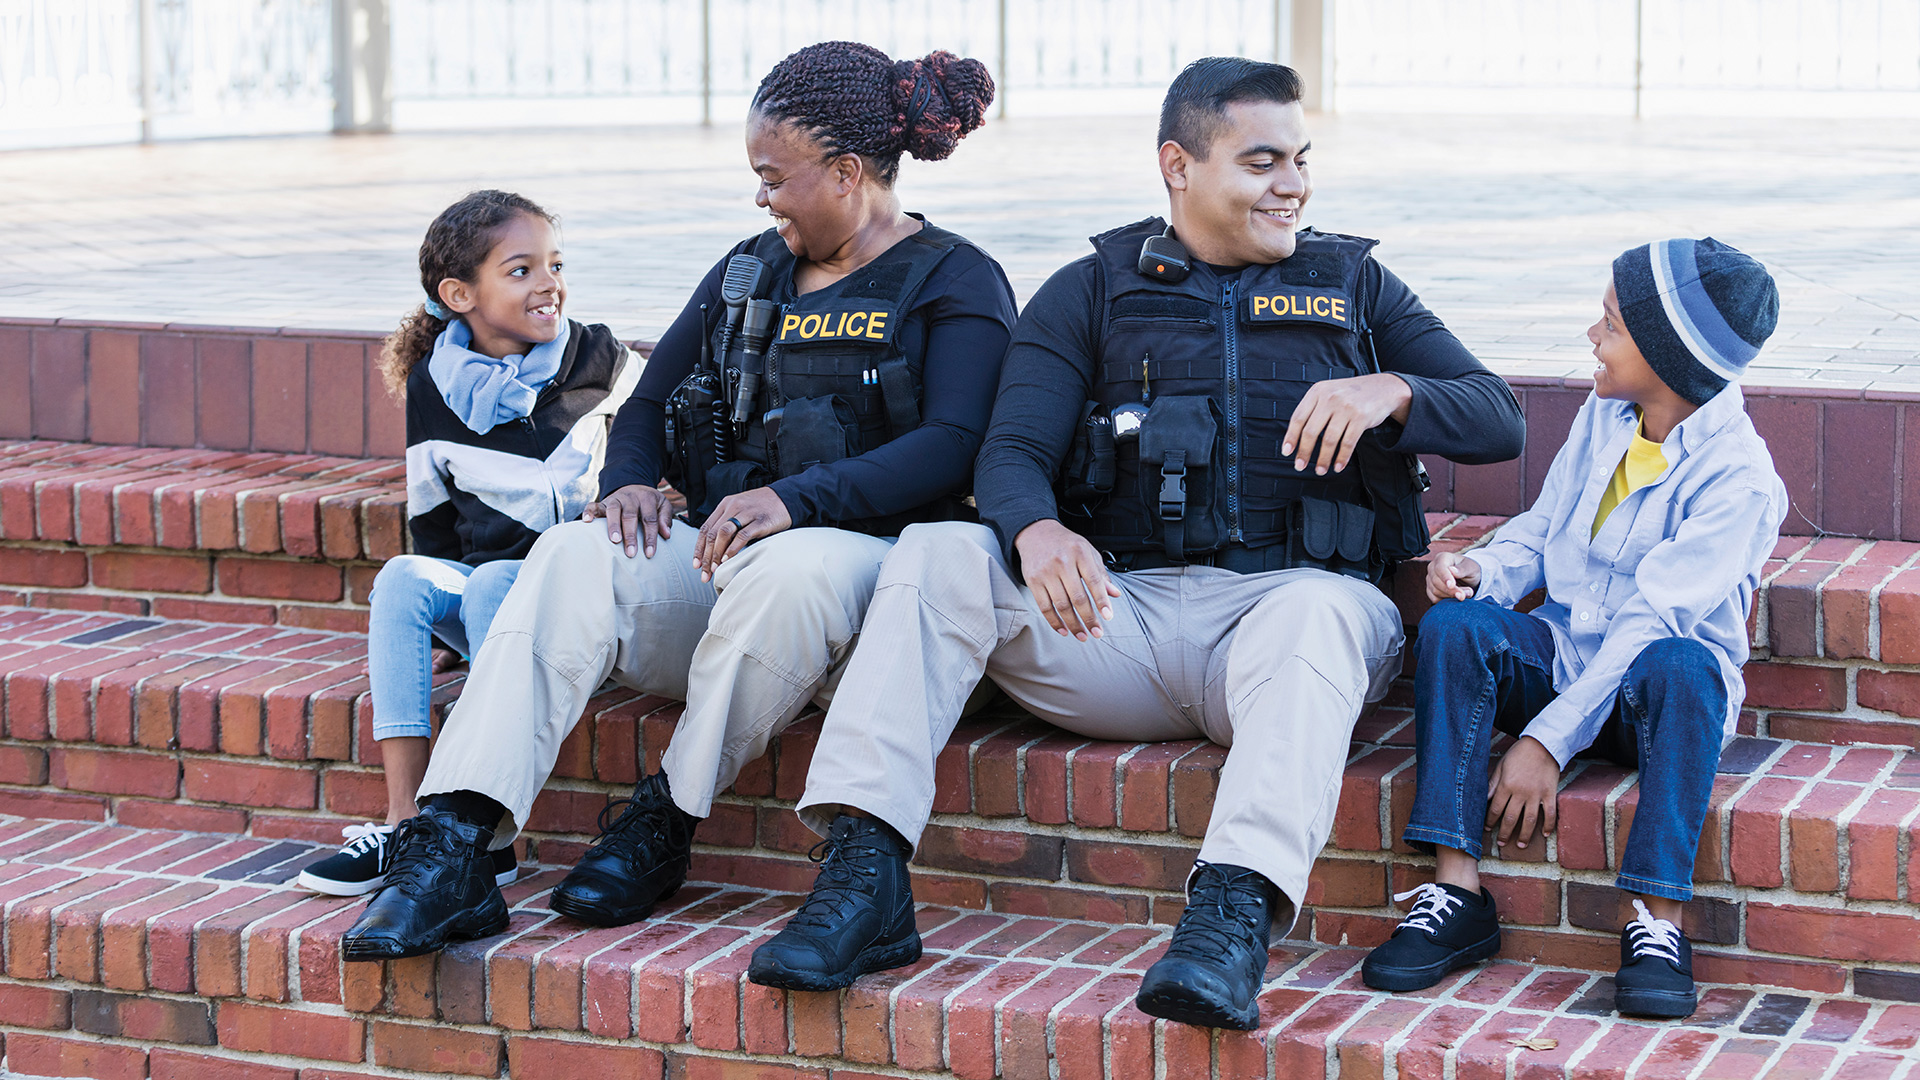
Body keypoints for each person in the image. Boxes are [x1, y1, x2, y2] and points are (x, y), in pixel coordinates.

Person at [749, 57, 1527, 1029]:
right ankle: (864, 879)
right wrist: (1034, 533)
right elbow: (1011, 451)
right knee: (936, 552)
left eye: (1300, 159)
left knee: (1324, 610)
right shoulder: (1090, 292)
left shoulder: (1357, 287)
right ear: (1179, 165)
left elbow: (1500, 419)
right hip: (1121, 619)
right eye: (1262, 160)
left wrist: (1398, 391)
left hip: (1287, 624)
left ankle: (1230, 919)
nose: (1293, 183)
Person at [339, 42, 1015, 961]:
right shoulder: (749, 271)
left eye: (775, 178)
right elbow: (649, 401)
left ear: (848, 173)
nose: (763, 199)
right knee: (573, 555)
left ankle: (667, 815)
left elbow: (957, 445)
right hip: (726, 573)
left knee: (795, 563)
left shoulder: (954, 278)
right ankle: (457, 840)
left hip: (866, 586)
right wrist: (624, 485)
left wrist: (796, 498)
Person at [1361, 239, 1785, 1020]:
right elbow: (1543, 528)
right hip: (1563, 655)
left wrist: (1544, 742)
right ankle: (1457, 893)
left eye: (1612, 324)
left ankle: (1656, 919)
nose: (1593, 335)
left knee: (1685, 665)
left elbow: (1649, 626)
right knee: (1458, 627)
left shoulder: (1742, 480)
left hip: (1649, 700)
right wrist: (1482, 571)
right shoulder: (1604, 414)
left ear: (1667, 355)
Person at [296, 190, 637, 898]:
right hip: (491, 597)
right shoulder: (434, 384)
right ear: (460, 294)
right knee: (405, 577)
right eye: (520, 270)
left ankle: (481, 829)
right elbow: (434, 517)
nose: (548, 283)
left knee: (490, 585)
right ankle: (406, 821)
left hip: (581, 598)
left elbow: (663, 447)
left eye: (555, 263)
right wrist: (440, 617)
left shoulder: (601, 357)